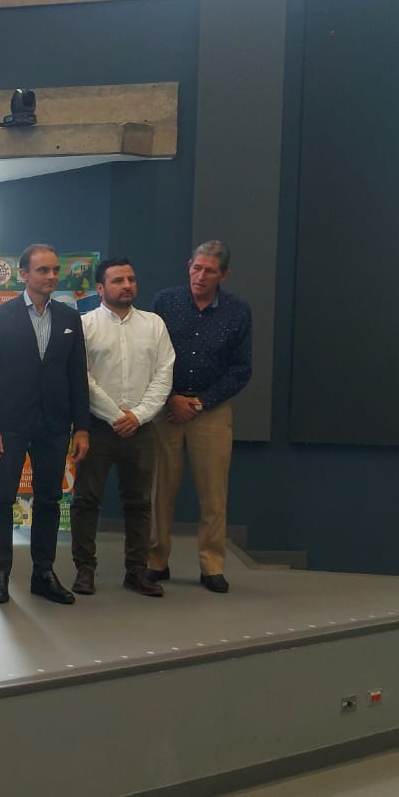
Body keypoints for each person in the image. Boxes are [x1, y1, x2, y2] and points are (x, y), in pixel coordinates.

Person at [0, 243, 91, 605]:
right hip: (8, 424)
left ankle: (44, 573)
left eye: (55, 270)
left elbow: (78, 377)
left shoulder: (69, 317)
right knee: (2, 499)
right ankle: (0, 573)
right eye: (43, 270)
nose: (52, 276)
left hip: (54, 424)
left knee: (49, 499)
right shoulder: (0, 316)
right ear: (23, 274)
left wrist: (82, 427)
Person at [148, 241, 253, 594]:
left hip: (211, 410)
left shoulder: (238, 312)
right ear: (188, 266)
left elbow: (241, 369)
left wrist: (201, 402)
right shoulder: (165, 302)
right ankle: (155, 560)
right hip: (166, 407)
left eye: (209, 271)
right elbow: (150, 355)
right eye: (196, 268)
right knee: (160, 489)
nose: (201, 276)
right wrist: (171, 398)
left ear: (224, 274)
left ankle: (212, 566)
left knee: (213, 493)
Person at [73, 258, 175, 597]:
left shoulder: (154, 324)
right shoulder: (85, 325)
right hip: (98, 427)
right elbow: (81, 377)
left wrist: (139, 415)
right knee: (86, 500)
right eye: (118, 280)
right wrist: (116, 415)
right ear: (100, 288)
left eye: (131, 279)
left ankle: (137, 571)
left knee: (140, 502)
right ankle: (85, 569)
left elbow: (164, 374)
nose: (127, 285)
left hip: (142, 428)